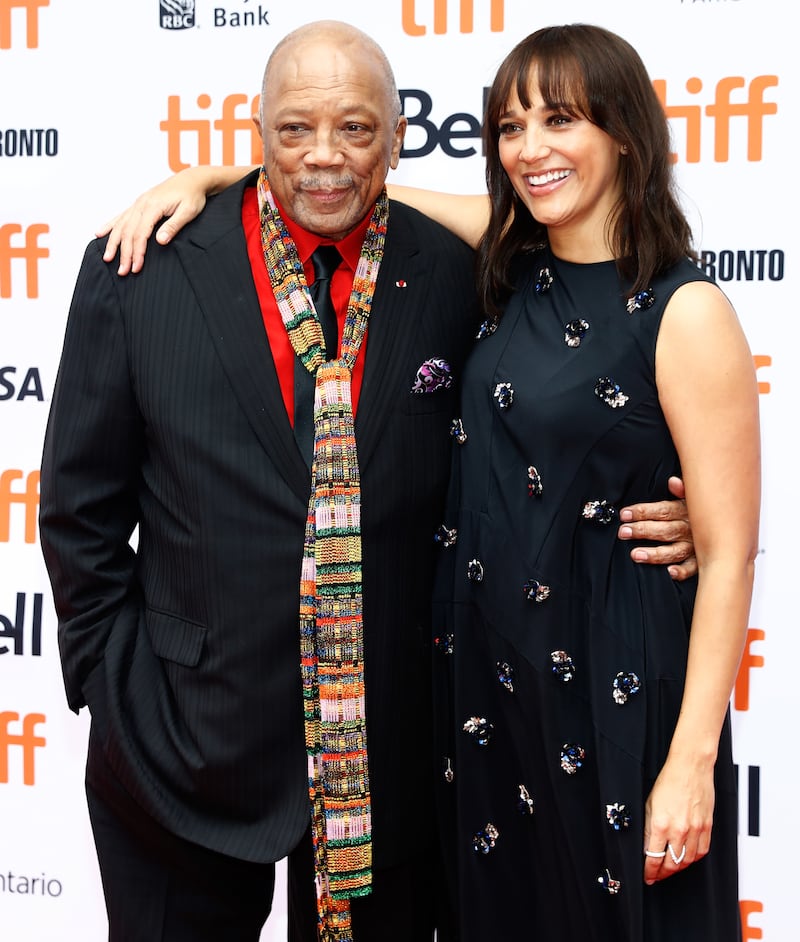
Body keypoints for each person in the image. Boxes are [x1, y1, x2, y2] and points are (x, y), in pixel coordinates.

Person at [49, 20, 699, 942]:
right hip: (177, 748)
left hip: (389, 756)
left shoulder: (463, 274)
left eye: (356, 130)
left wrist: (700, 515)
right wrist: (108, 685)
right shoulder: (143, 269)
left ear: (399, 137)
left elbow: (614, 340)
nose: (324, 158)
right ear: (257, 131)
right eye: (294, 131)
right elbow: (80, 508)